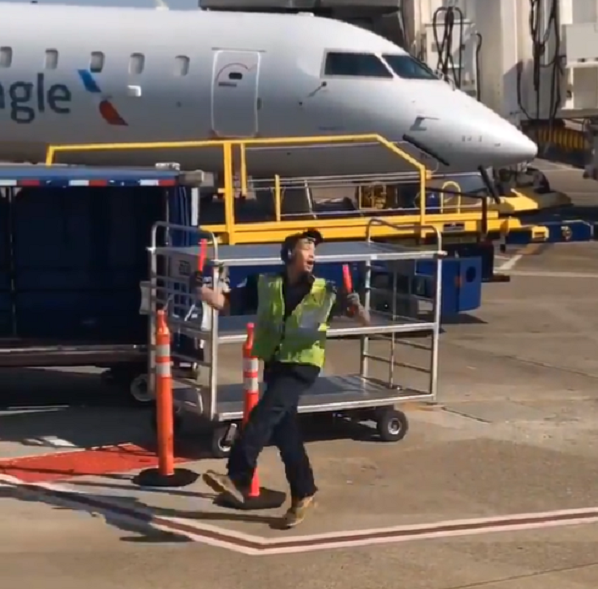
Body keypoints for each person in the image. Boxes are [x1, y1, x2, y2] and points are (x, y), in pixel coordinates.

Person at [195, 229, 371, 528]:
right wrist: (201, 291)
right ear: (289, 254)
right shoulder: (265, 284)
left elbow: (364, 320)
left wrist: (357, 306)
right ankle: (304, 492)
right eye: (306, 247)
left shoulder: (325, 290)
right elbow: (226, 304)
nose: (313, 253)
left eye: (315, 249)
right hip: (276, 363)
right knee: (286, 434)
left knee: (263, 416)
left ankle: (238, 476)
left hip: (302, 367)